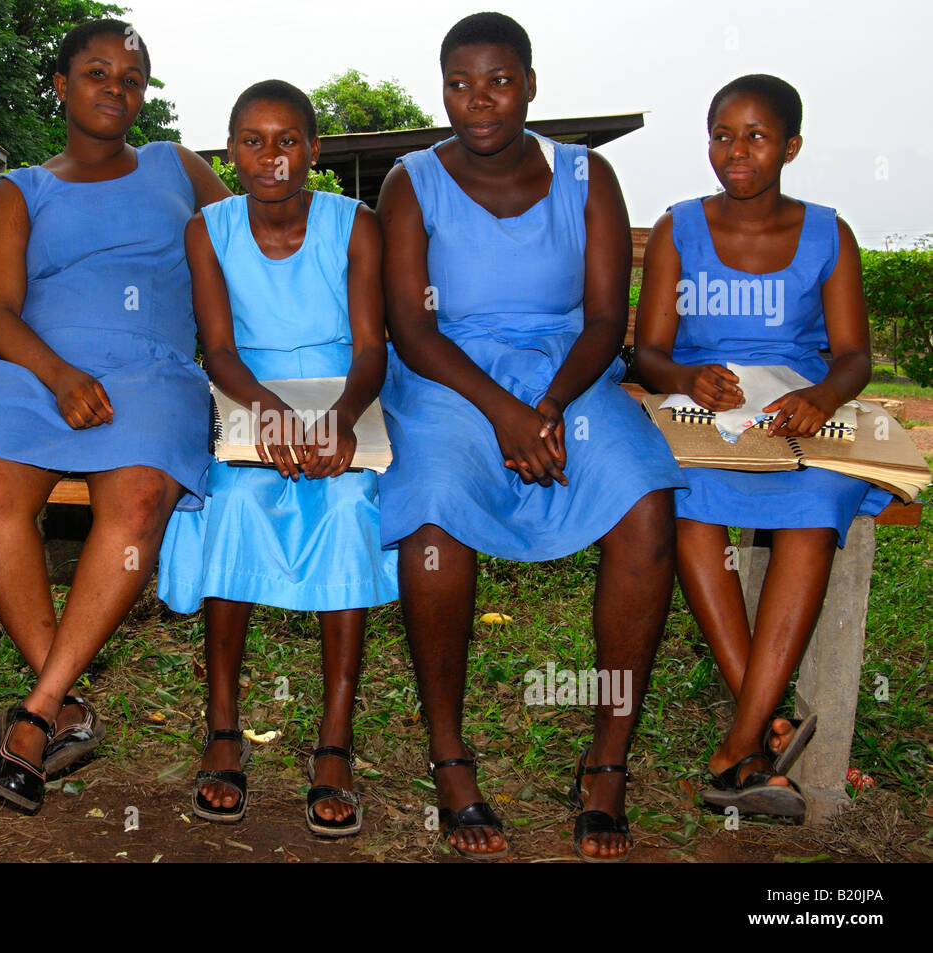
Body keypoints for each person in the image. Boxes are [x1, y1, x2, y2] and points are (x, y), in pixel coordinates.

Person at [376, 12, 686, 861]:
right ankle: (450, 756)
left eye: (500, 81)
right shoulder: (410, 182)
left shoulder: (589, 176)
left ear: (532, 85)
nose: (478, 101)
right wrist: (505, 414)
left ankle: (608, 762)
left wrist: (544, 406)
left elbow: (602, 321)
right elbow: (411, 327)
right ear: (441, 88)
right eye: (459, 83)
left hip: (569, 372)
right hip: (448, 376)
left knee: (645, 503)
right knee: (434, 516)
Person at [0, 19, 230, 815]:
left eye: (131, 79)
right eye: (97, 72)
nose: (116, 88)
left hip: (151, 367)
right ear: (61, 86)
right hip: (33, 365)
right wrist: (60, 372)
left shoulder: (178, 167)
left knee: (138, 498)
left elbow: (248, 244)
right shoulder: (21, 189)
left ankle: (38, 711)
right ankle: (61, 699)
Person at [634, 74, 890, 817]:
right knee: (685, 500)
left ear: (791, 147)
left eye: (756, 136)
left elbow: (854, 356)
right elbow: (649, 351)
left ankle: (741, 741)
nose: (735, 151)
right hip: (705, 414)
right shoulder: (680, 228)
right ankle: (761, 733)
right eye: (722, 134)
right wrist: (687, 374)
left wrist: (821, 396)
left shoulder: (828, 233)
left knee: (814, 508)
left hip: (794, 414)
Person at [157, 81, 397, 836]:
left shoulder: (355, 224)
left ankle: (335, 739)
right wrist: (272, 415)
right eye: (253, 141)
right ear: (231, 152)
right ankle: (222, 726)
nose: (271, 157)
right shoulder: (209, 229)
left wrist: (337, 419)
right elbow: (219, 349)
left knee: (350, 505)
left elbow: (369, 348)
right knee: (233, 502)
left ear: (314, 150)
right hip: (248, 393)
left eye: (288, 140)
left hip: (340, 397)